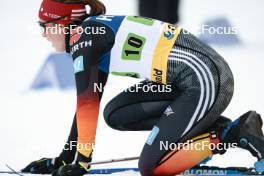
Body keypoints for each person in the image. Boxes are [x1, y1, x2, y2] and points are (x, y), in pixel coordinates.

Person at [21, 0, 264, 175]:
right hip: (189, 79)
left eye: (44, 25)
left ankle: (231, 134)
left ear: (62, 23)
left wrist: (81, 162)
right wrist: (64, 159)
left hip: (205, 78)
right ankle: (215, 131)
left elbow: (85, 103)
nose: (43, 34)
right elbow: (90, 101)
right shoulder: (91, 31)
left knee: (151, 168)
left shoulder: (84, 37)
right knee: (115, 115)